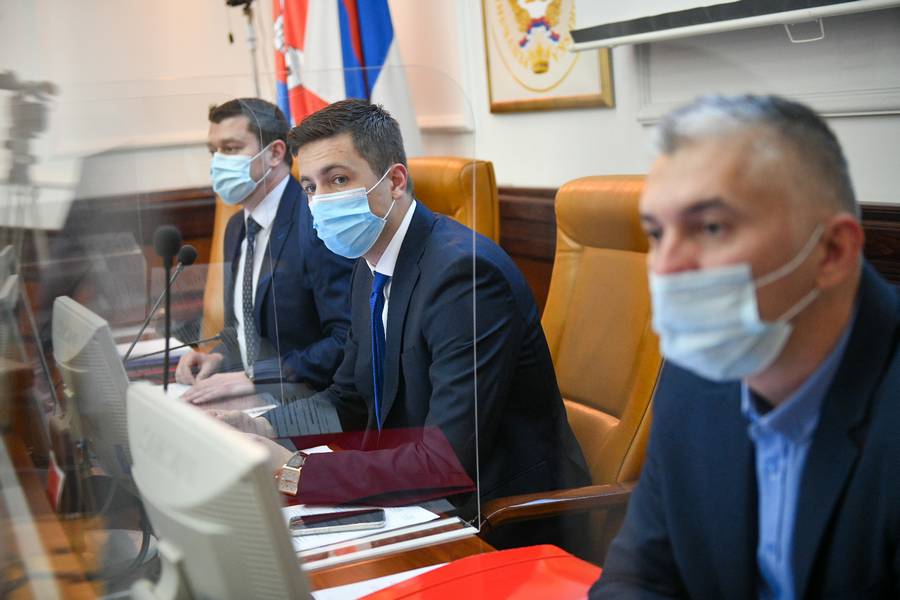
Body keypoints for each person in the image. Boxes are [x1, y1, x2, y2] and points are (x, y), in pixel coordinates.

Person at [214, 99, 589, 516]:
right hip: (418, 498)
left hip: (498, 515)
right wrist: (263, 426)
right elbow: (348, 398)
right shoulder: (369, 263)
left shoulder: (465, 276)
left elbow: (445, 461)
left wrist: (293, 472)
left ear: (394, 181)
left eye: (338, 179)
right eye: (310, 187)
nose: (320, 201)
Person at [591, 95, 900, 598]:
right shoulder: (695, 372)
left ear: (832, 251)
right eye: (656, 233)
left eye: (711, 227)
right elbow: (639, 575)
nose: (665, 266)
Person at [176, 98, 353, 402]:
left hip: (312, 402)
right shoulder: (237, 227)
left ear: (275, 153)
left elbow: (347, 340)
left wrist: (258, 377)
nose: (218, 162)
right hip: (257, 398)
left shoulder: (317, 224)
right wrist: (218, 357)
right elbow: (249, 330)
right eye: (214, 151)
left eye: (231, 148)